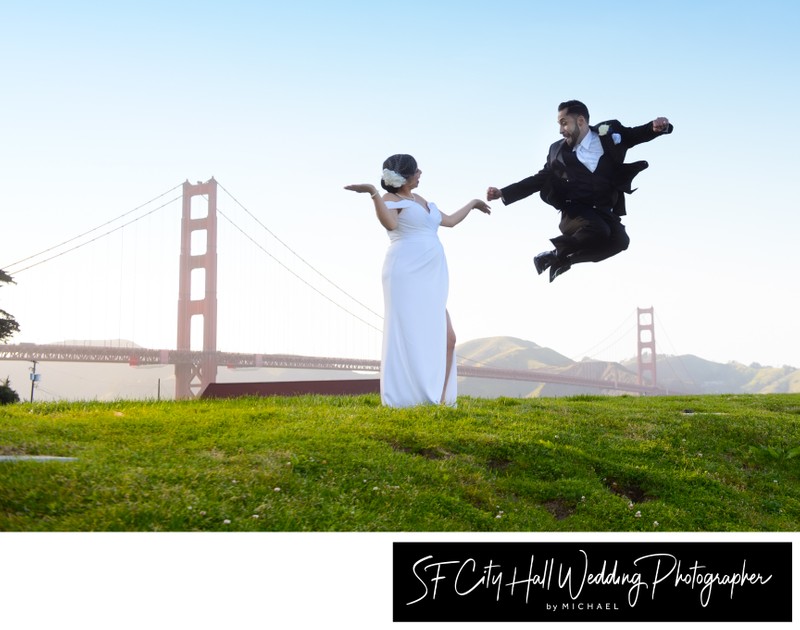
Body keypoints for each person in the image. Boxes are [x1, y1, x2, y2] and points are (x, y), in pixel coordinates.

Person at [345, 154, 490, 408]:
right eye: (416, 170)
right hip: (405, 274)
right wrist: (372, 193)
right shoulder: (390, 200)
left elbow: (450, 222)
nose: (420, 172)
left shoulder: (421, 200)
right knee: (410, 336)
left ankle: (441, 400)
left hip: (432, 277)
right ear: (404, 176)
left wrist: (473, 203)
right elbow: (390, 224)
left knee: (449, 338)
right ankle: (411, 399)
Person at [487, 100, 673, 282]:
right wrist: (503, 192)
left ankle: (564, 261)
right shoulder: (557, 151)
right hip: (574, 213)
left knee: (620, 241)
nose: (561, 130)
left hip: (602, 209)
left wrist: (656, 128)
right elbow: (538, 180)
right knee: (599, 229)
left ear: (581, 121)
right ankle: (553, 253)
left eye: (564, 123)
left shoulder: (610, 132)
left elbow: (635, 134)